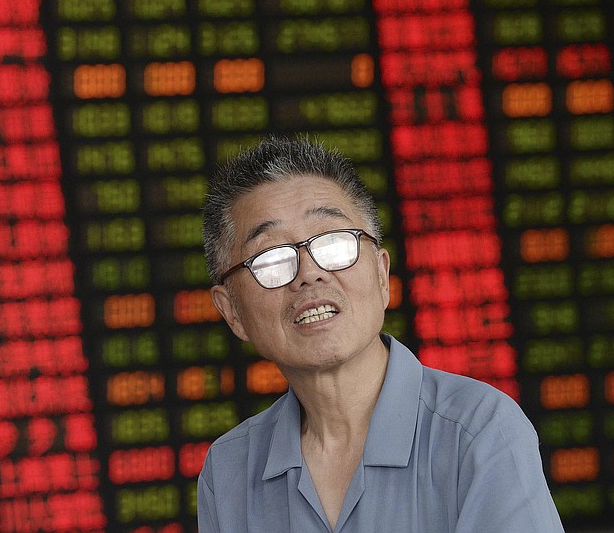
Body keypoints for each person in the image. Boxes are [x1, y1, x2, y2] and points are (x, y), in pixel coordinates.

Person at [197, 136, 564, 532]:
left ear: (381, 275)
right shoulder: (228, 470)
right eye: (271, 258)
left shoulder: (478, 432)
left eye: (334, 243)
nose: (309, 273)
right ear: (232, 311)